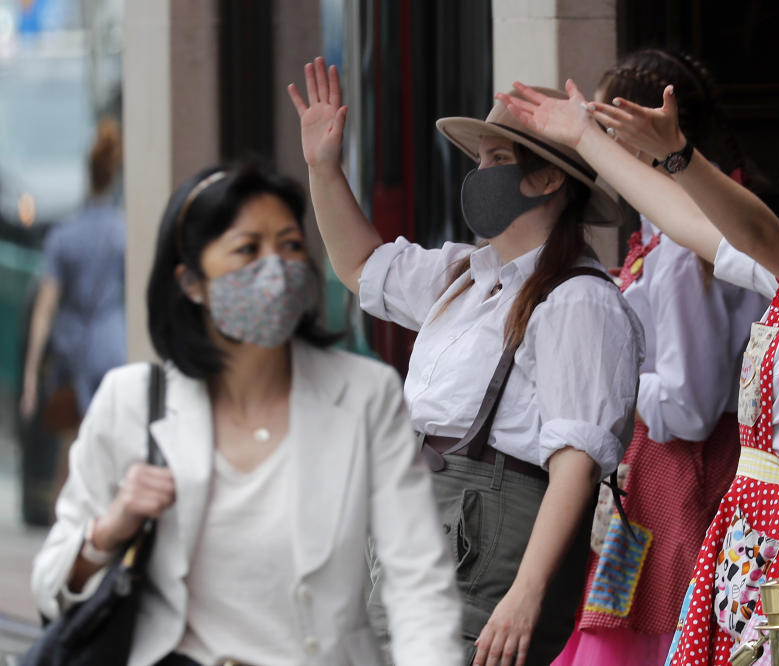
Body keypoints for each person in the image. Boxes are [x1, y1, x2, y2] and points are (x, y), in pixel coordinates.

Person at [497, 80, 779, 664]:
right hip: (730, 514)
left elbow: (752, 245)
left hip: (754, 514)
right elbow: (690, 221)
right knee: (616, 624)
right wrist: (584, 137)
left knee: (643, 625)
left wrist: (680, 158)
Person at [287, 58, 644, 666]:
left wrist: (525, 595)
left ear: (550, 179)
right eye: (480, 161)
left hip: (485, 548)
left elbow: (577, 466)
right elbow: (360, 267)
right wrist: (324, 167)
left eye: (499, 162)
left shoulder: (578, 299)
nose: (480, 176)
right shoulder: (466, 276)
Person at [31, 164, 462, 666]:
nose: (275, 268)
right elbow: (50, 585)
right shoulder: (129, 403)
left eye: (290, 245)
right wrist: (110, 529)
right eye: (247, 249)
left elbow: (418, 584)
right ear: (191, 282)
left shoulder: (366, 395)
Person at [552, 49, 767, 666]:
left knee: (649, 635)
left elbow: (690, 405)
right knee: (613, 618)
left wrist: (613, 376)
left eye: (601, 134)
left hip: (676, 481)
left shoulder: (681, 249)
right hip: (644, 485)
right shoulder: (673, 234)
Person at [20, 117, 126, 424]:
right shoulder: (122, 233)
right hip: (112, 347)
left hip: (72, 354)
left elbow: (45, 309)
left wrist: (30, 374)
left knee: (75, 448)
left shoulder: (63, 236)